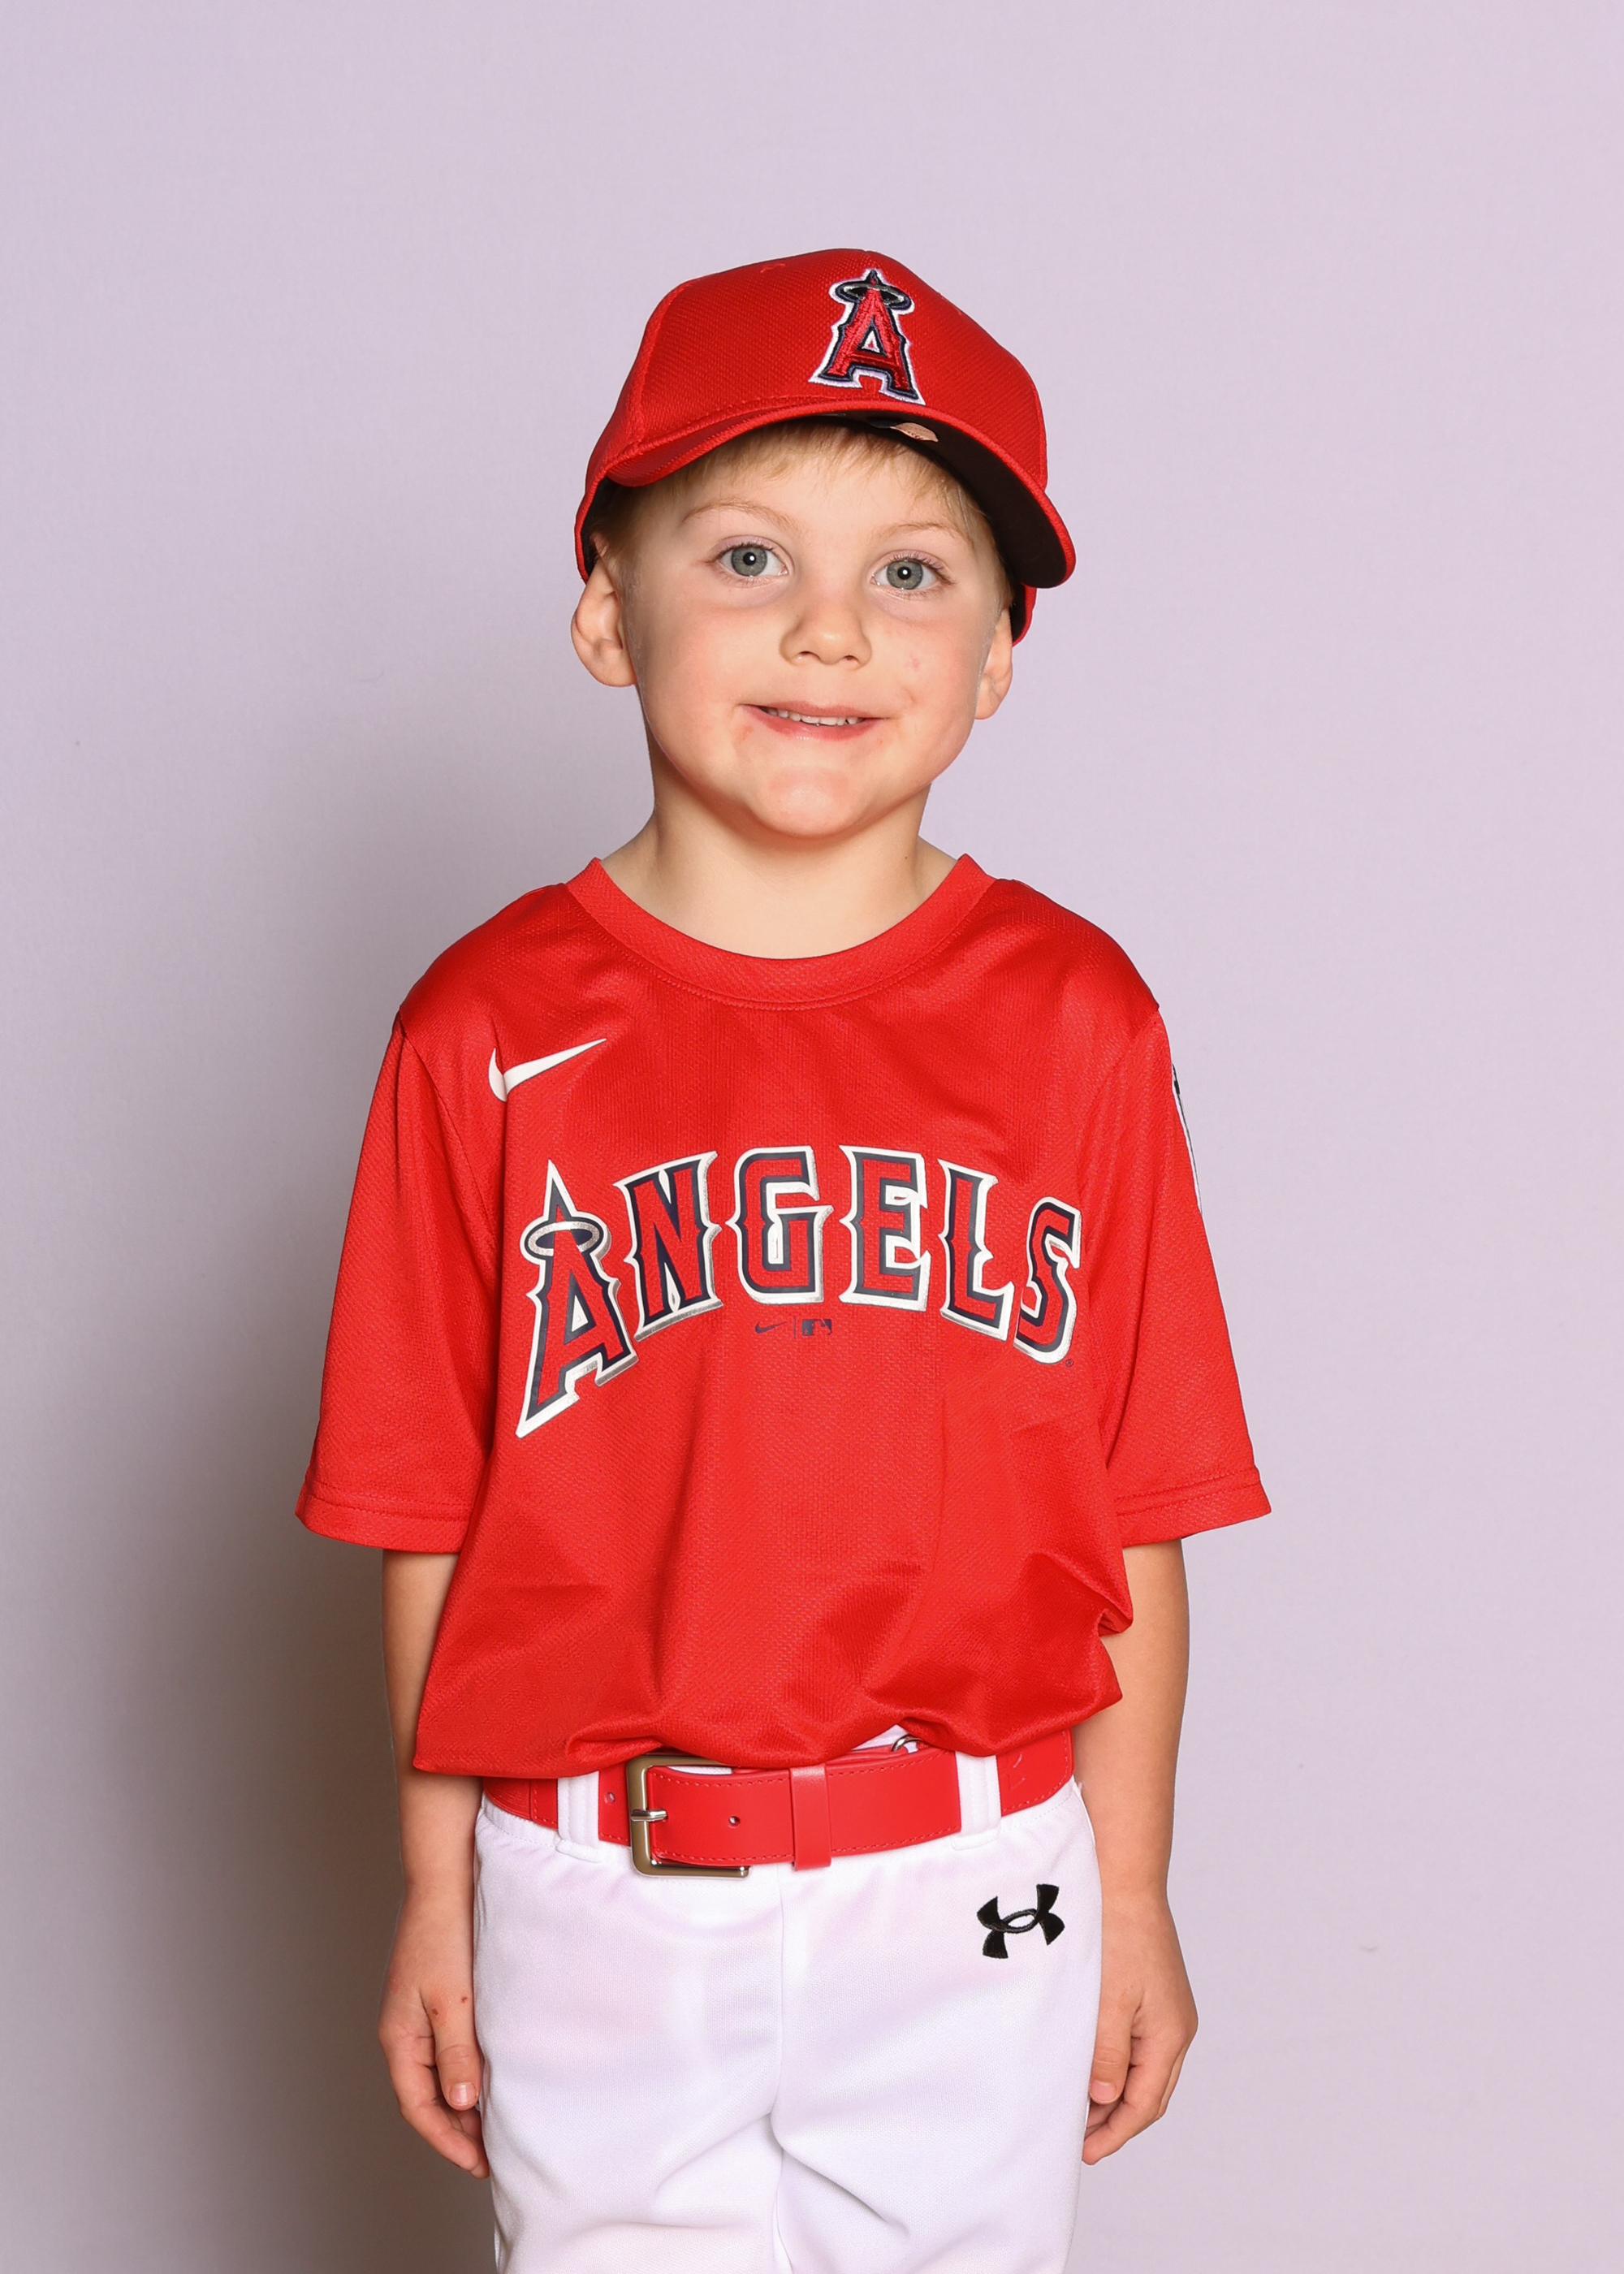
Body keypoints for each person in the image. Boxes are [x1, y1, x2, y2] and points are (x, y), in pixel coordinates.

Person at [298, 248, 1268, 2273]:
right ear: (606, 607)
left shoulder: (1076, 1015)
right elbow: (429, 1518)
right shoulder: (482, 1026)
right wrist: (433, 1889)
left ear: (997, 655)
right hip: (597, 1880)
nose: (831, 626)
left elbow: (1137, 1510)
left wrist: (1133, 1884)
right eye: (746, 556)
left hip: (974, 1871)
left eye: (913, 572)